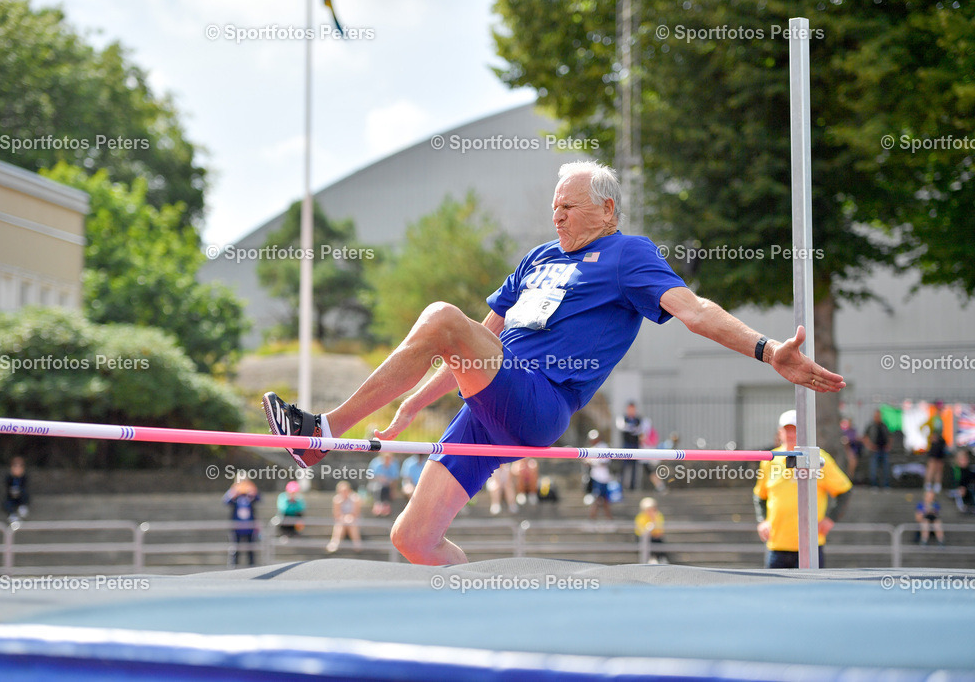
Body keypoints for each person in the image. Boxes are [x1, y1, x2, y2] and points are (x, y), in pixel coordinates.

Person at [262, 160, 846, 565]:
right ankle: (490, 621)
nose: (557, 217)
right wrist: (414, 404)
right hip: (487, 405)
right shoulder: (538, 258)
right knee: (413, 539)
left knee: (441, 314)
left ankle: (324, 432)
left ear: (607, 210)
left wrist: (767, 349)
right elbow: (472, 343)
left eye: (568, 207)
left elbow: (695, 311)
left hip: (537, 401)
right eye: (554, 207)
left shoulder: (628, 255)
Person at [753, 410, 853, 569]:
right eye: (787, 429)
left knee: (811, 585)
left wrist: (831, 519)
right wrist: (762, 520)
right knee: (772, 585)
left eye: (795, 429)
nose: (791, 434)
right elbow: (760, 494)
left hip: (810, 545)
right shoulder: (769, 459)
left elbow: (845, 490)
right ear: (780, 432)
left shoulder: (819, 459)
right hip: (777, 544)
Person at [224, 477, 260, 567]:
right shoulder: (234, 494)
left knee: (251, 549)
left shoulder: (250, 494)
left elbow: (259, 499)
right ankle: (233, 567)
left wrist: (253, 492)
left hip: (249, 527)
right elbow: (225, 501)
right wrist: (233, 493)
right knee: (235, 549)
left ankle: (252, 567)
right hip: (237, 527)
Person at [585, 430, 614, 520]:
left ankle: (598, 517)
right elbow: (587, 461)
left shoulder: (603, 447)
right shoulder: (592, 448)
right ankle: (596, 518)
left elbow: (605, 462)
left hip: (603, 477)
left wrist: (593, 462)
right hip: (596, 477)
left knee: (601, 498)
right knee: (599, 498)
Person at [327, 481, 363, 553]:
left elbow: (356, 513)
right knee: (340, 525)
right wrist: (344, 518)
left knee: (352, 524)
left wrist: (349, 518)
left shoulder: (355, 498)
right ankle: (335, 542)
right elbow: (336, 514)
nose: (344, 493)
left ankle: (356, 543)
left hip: (353, 521)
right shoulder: (337, 500)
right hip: (342, 521)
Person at [617, 402, 644, 490]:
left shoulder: (639, 420)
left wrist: (631, 428)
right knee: (623, 467)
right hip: (626, 445)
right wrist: (632, 428)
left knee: (634, 467)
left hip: (635, 445)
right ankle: (621, 486)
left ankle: (632, 487)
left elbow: (640, 430)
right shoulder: (623, 418)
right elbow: (621, 427)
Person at [862, 409, 891, 490]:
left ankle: (885, 485)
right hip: (874, 450)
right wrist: (870, 446)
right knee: (873, 469)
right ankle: (874, 484)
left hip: (883, 450)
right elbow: (865, 437)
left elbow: (889, 436)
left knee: (885, 468)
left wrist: (888, 445)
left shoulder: (884, 425)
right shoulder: (871, 426)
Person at [634, 497, 667, 563]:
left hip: (655, 537)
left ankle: (660, 558)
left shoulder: (658, 515)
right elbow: (641, 531)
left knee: (659, 542)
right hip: (642, 537)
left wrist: (653, 520)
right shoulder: (640, 517)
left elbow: (660, 531)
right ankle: (650, 558)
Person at [367, 452, 399, 517]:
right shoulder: (375, 463)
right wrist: (380, 479)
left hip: (388, 486)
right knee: (379, 487)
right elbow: (370, 477)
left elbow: (395, 479)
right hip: (375, 485)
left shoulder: (394, 464)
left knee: (385, 488)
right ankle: (379, 505)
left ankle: (384, 506)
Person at [947, 448, 975, 513]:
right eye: (962, 460)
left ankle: (971, 505)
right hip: (955, 489)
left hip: (966, 489)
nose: (964, 461)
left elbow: (970, 480)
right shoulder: (955, 470)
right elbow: (952, 482)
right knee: (960, 492)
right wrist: (958, 487)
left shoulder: (969, 470)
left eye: (965, 460)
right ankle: (962, 507)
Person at [3, 456, 29, 523]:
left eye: (20, 466)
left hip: (21, 497)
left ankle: (22, 508)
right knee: (7, 503)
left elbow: (25, 487)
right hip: (11, 497)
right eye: (15, 466)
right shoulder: (8, 477)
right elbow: (6, 488)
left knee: (24, 494)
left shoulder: (24, 477)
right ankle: (12, 515)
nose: (17, 468)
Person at [924, 429, 948, 493]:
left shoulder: (942, 441)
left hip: (940, 457)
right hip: (932, 457)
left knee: (939, 471)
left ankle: (937, 485)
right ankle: (928, 484)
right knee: (931, 470)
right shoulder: (930, 441)